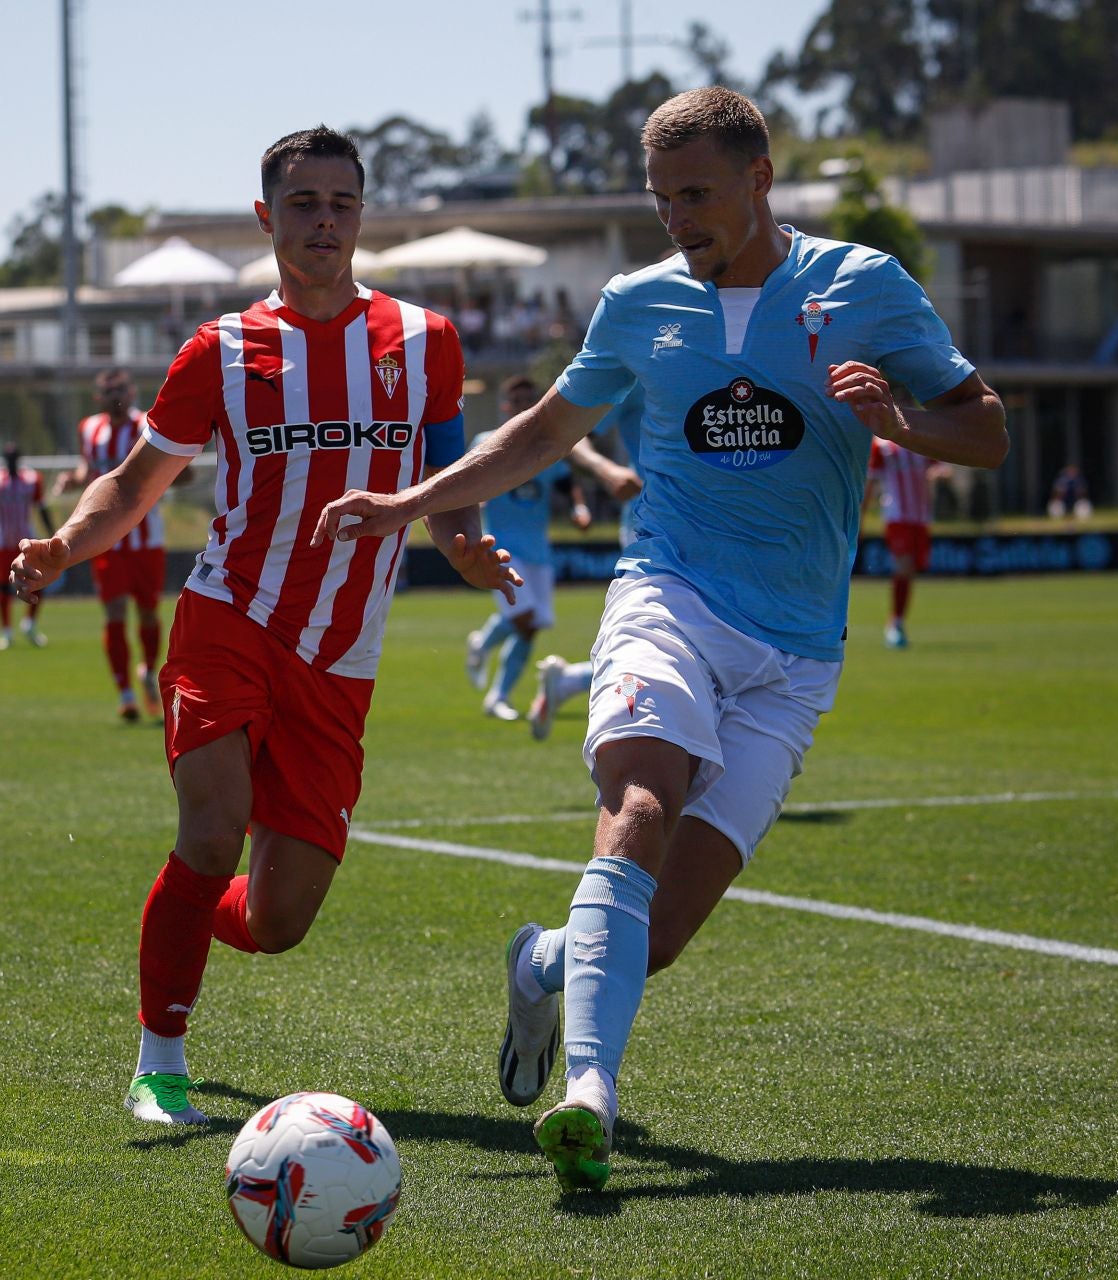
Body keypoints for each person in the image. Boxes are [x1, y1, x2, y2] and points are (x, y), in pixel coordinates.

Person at [314, 87, 1006, 1191]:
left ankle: (542, 964)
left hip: (796, 650)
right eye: (661, 197)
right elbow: (540, 431)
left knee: (661, 931)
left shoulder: (864, 285)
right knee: (638, 804)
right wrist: (409, 505)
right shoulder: (635, 304)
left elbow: (989, 430)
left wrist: (901, 423)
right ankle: (591, 1089)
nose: (678, 216)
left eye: (697, 193)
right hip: (667, 594)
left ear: (759, 179)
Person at [10, 125, 519, 1128]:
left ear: (361, 216)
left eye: (340, 203)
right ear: (266, 218)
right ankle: (160, 1063)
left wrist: (463, 540)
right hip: (228, 616)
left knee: (280, 920)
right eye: (302, 204)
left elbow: (454, 483)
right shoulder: (222, 350)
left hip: (342, 655)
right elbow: (134, 481)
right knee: (209, 826)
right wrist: (66, 546)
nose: (323, 221)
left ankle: (187, 912)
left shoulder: (428, 343)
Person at [464, 374, 595, 721]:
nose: (523, 406)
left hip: (539, 550)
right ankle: (485, 651)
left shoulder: (546, 446)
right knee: (523, 617)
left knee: (531, 626)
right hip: (502, 547)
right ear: (506, 406)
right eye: (517, 400)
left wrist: (579, 509)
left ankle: (497, 691)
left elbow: (569, 485)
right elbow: (465, 477)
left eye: (529, 400)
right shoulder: (486, 440)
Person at [528, 391, 644, 741]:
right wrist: (606, 471)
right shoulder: (652, 358)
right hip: (652, 532)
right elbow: (573, 434)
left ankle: (570, 681)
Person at [56, 369, 169, 720]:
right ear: (98, 396)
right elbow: (89, 470)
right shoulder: (89, 429)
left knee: (149, 612)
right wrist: (73, 480)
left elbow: (169, 465)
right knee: (114, 612)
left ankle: (148, 671)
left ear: (132, 391)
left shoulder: (148, 425)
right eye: (109, 391)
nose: (116, 395)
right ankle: (124, 692)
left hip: (145, 539)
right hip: (106, 541)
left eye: (121, 389)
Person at [0, 442, 55, 650]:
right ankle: (6, 631)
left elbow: (42, 509)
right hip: (2, 542)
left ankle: (30, 624)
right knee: (2, 587)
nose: (12, 462)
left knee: (39, 582)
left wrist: (54, 534)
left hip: (27, 542)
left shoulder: (33, 480)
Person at [864, 436, 948, 649]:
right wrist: (860, 519)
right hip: (897, 516)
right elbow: (871, 482)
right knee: (904, 565)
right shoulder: (882, 446)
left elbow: (940, 466)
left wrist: (941, 473)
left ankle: (898, 622)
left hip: (920, 517)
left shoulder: (920, 438)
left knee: (910, 569)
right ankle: (895, 624)